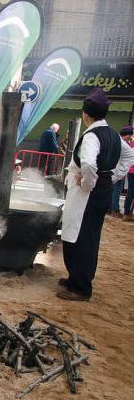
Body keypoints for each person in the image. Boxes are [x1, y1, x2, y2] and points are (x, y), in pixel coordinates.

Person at [57, 89, 134, 301]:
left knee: (82, 239)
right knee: (88, 237)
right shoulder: (112, 134)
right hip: (102, 192)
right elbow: (130, 156)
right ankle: (76, 278)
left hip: (87, 195)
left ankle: (81, 288)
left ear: (86, 114)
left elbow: (89, 163)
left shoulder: (92, 136)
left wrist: (89, 183)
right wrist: (111, 176)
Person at [110, 125, 134, 219]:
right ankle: (115, 210)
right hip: (120, 170)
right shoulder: (123, 144)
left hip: (121, 170)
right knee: (117, 190)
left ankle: (114, 209)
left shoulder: (123, 143)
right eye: (129, 135)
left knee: (116, 190)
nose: (130, 137)